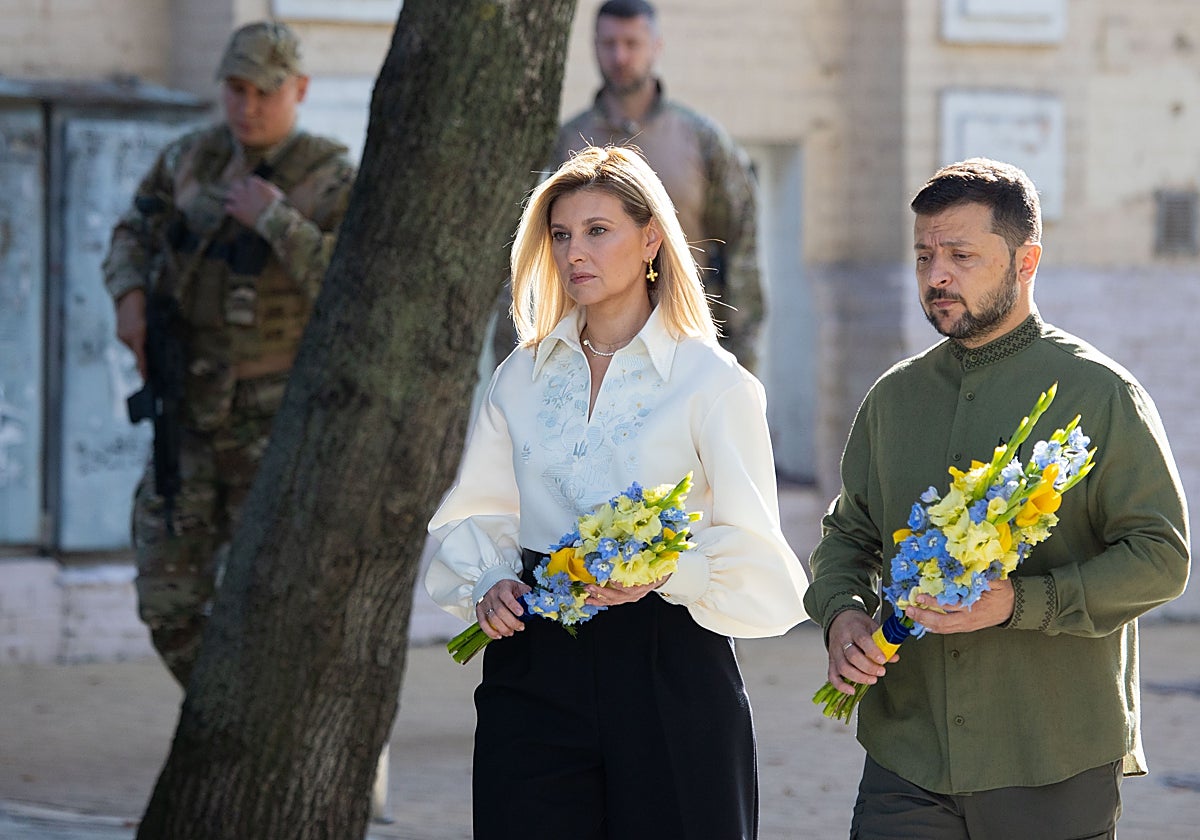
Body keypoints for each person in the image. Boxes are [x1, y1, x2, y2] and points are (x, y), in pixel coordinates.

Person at [426, 146, 809, 839]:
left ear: (651, 238)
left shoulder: (714, 384)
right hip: (534, 665)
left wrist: (670, 568)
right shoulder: (521, 376)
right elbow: (475, 512)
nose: (576, 251)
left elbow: (762, 560)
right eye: (563, 234)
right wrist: (489, 580)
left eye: (598, 230)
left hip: (671, 665)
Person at [804, 158, 1190, 839]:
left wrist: (1019, 603)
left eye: (960, 255)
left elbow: (1161, 557)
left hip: (1051, 758)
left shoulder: (1100, 395)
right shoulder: (893, 399)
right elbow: (848, 538)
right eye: (924, 255)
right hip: (907, 757)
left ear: (1026, 260)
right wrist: (843, 618)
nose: (936, 275)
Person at [102, 20, 357, 687]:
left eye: (263, 92)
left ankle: (259, 722)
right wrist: (128, 296)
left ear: (298, 89)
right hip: (185, 412)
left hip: (273, 424)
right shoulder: (192, 157)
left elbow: (354, 285)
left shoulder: (328, 175)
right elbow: (133, 230)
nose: (246, 106)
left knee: (273, 597)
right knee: (167, 599)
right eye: (235, 90)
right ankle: (223, 714)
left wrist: (274, 220)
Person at [493, 0, 764, 371]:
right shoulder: (563, 142)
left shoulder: (700, 140)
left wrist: (741, 356)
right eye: (608, 44)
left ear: (656, 46)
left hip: (681, 342)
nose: (620, 56)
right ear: (594, 46)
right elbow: (529, 250)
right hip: (586, 351)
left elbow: (740, 245)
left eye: (631, 43)